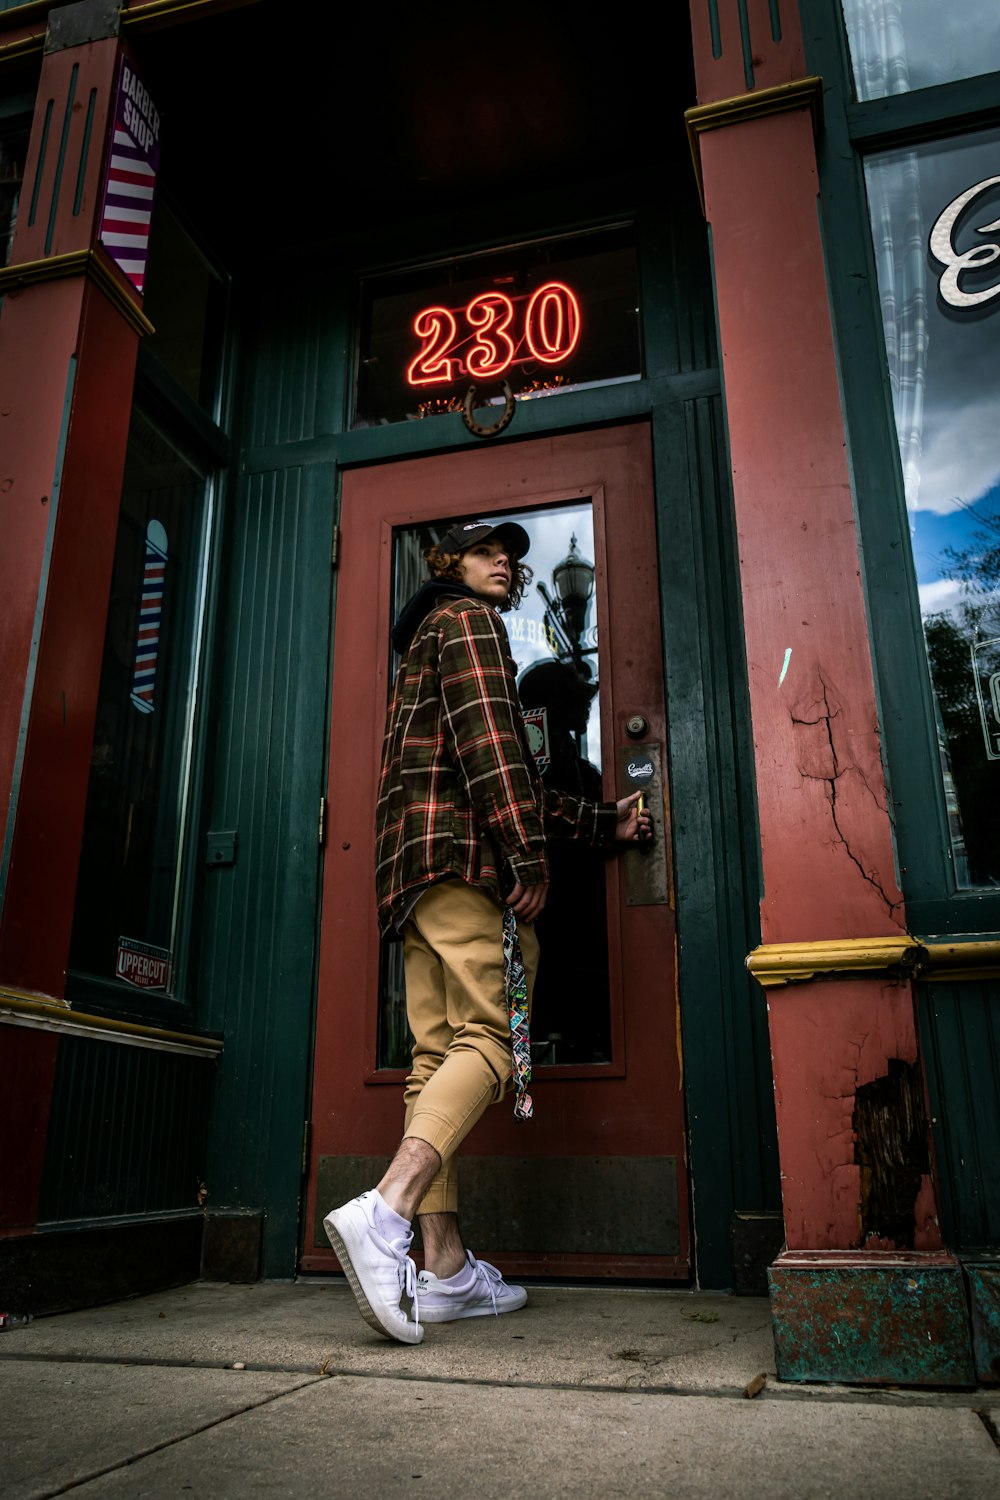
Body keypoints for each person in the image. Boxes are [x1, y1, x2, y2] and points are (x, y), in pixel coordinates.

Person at [324, 518, 650, 1345]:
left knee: (434, 1059)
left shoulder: (419, 648)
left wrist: (601, 821)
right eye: (485, 552)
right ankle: (387, 1210)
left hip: (413, 881)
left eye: (513, 555)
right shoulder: (469, 624)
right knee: (496, 1037)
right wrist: (528, 858)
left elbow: (480, 767)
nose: (505, 563)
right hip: (469, 868)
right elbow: (496, 755)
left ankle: (444, 1271)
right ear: (448, 565)